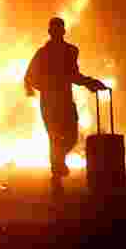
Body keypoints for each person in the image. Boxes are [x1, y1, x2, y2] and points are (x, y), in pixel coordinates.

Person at [25, 17, 107, 180]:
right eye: (54, 30)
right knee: (55, 136)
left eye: (59, 30)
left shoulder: (70, 51)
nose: (57, 33)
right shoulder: (43, 53)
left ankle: (58, 162)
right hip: (51, 101)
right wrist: (43, 88)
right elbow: (29, 77)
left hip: (62, 100)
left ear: (63, 31)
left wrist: (89, 82)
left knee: (71, 137)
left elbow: (73, 75)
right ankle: (56, 174)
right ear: (50, 32)